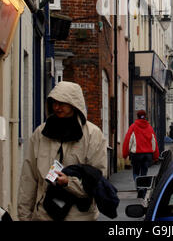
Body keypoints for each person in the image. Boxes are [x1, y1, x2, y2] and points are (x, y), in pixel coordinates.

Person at [17, 81, 107, 221]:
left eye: (62, 103)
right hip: (44, 215)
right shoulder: (40, 133)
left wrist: (68, 183)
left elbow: (97, 178)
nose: (57, 107)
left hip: (79, 217)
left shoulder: (92, 135)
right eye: (54, 103)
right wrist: (24, 216)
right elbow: (29, 178)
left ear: (74, 104)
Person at [122, 110, 159, 195]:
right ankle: (143, 188)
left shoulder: (133, 127)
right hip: (148, 155)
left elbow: (128, 141)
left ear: (137, 116)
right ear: (145, 116)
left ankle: (139, 187)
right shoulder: (149, 127)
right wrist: (156, 156)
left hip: (136, 154)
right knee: (144, 172)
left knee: (136, 172)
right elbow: (154, 142)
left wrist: (125, 154)